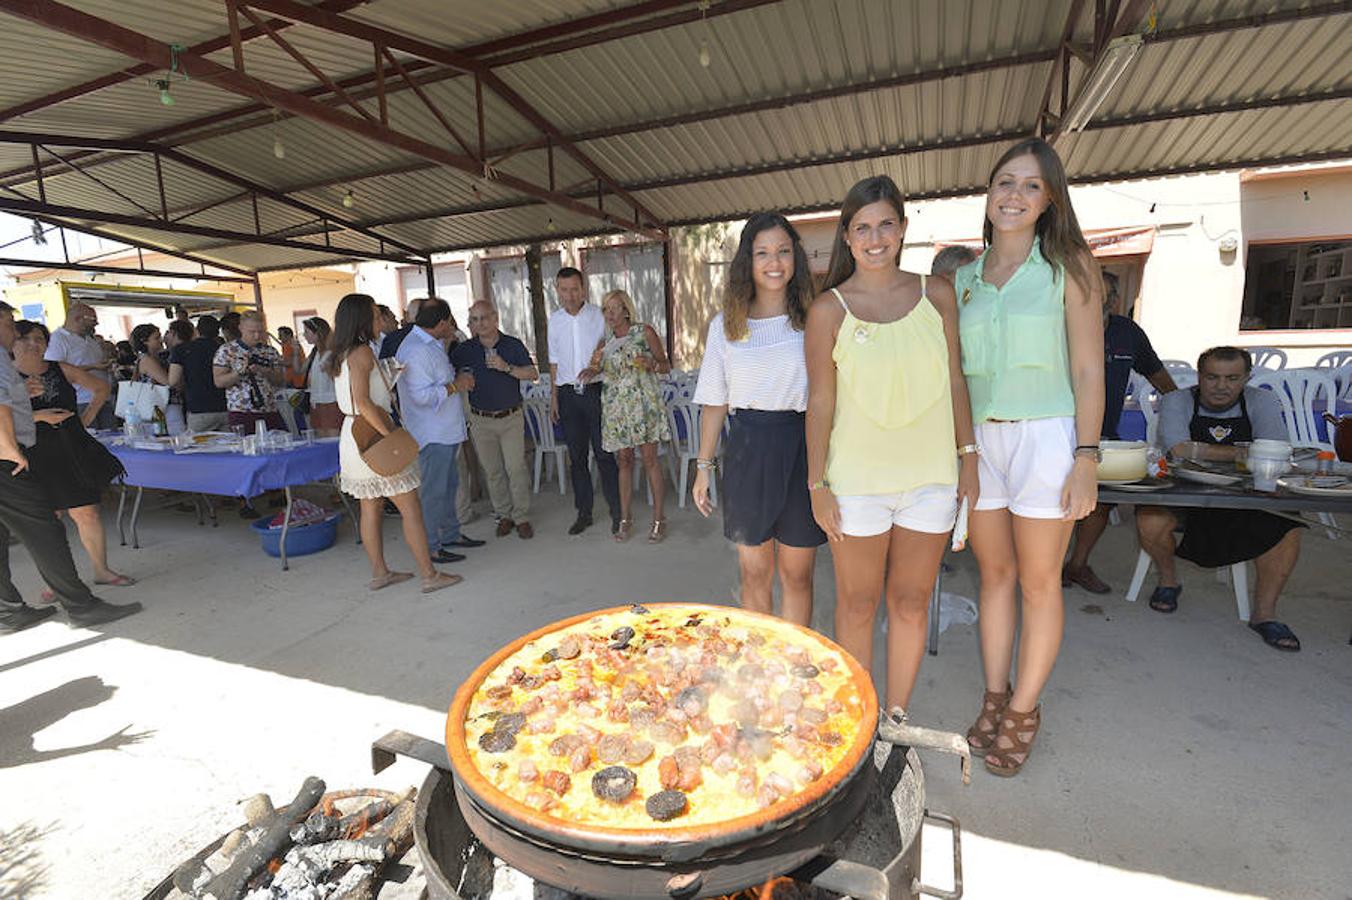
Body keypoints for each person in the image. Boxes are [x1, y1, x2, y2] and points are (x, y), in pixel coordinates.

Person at [954, 138, 1105, 777]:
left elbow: (1089, 368)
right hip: (983, 442)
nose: (1013, 196)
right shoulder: (963, 279)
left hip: (1048, 435)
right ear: (989, 195)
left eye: (1030, 186)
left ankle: (1023, 709)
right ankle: (995, 694)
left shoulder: (1070, 267)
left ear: (1049, 202)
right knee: (995, 576)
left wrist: (1086, 455)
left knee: (1041, 581)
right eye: (1004, 183)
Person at [805, 176, 978, 715]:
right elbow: (821, 404)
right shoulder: (828, 310)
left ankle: (896, 719)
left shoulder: (937, 294)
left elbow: (956, 379)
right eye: (862, 228)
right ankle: (858, 723)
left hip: (930, 479)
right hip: (856, 484)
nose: (875, 237)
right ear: (847, 237)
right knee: (858, 605)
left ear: (903, 229)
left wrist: (967, 458)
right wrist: (817, 484)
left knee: (910, 602)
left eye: (885, 224)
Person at [692, 213, 825, 625]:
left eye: (784, 251)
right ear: (747, 262)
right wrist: (702, 467)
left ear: (795, 259)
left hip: (803, 446)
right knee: (754, 571)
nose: (774, 262)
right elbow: (715, 400)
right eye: (763, 252)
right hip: (748, 448)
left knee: (797, 574)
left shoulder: (815, 318)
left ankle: (795, 664)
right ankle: (762, 665)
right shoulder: (726, 326)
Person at [1136, 347, 1303, 652]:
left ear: (1247, 378)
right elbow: (1177, 450)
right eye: (1212, 377)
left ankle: (1265, 615)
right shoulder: (1177, 400)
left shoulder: (1261, 401)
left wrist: (1200, 450)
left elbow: (1276, 450)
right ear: (1200, 377)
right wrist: (1246, 452)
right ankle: (1168, 582)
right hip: (1184, 490)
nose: (1221, 386)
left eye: (1232, 378)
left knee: (1288, 524)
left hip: (1246, 492)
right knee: (1149, 518)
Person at [0, 301, 141, 633]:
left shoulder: (44, 368)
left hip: (51, 450)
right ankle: (81, 606)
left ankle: (8, 610)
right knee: (45, 529)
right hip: (13, 459)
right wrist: (10, 449)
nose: (14, 331)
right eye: (9, 324)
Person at [326, 293, 460, 594]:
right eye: (375, 316)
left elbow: (357, 396)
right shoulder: (361, 352)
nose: (380, 321)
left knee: (370, 507)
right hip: (372, 433)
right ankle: (429, 573)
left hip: (353, 434)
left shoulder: (340, 353)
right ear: (362, 320)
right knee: (410, 506)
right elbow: (364, 401)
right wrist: (390, 435)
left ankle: (380, 572)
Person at [1062, 271, 1177, 594]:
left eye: (1100, 295)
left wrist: (1186, 411)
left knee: (1100, 501)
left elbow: (1161, 379)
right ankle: (1044, 570)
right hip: (1053, 433)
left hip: (1102, 437)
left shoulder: (1128, 333)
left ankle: (1077, 564)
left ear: (1113, 301)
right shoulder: (1058, 326)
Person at [12, 321, 132, 591]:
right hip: (31, 452)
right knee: (47, 521)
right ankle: (56, 582)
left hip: (70, 448)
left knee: (86, 512)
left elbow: (101, 389)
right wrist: (36, 416)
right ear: (13, 342)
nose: (33, 343)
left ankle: (101, 570)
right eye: (26, 338)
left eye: (39, 338)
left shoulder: (60, 369)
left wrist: (84, 419)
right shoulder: (6, 375)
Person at [396, 297, 484, 562]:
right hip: (431, 433)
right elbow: (421, 396)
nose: (454, 327)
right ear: (443, 323)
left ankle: (451, 534)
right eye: (451, 322)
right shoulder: (417, 350)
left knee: (449, 485)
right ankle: (432, 545)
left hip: (444, 430)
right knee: (434, 492)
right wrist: (457, 385)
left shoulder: (428, 343)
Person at [586, 290, 671, 543]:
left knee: (650, 461)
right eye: (605, 309)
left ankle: (659, 519)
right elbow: (596, 368)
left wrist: (652, 364)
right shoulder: (604, 343)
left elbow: (666, 365)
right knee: (623, 461)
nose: (610, 313)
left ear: (626, 309)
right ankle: (625, 518)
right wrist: (589, 371)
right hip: (617, 409)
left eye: (614, 308)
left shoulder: (644, 332)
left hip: (643, 406)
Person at [451, 301, 539, 539]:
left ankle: (521, 516)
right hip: (480, 419)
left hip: (510, 417)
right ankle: (504, 515)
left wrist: (506, 367)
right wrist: (460, 377)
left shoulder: (512, 344)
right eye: (474, 320)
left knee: (515, 468)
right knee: (492, 471)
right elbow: (451, 373)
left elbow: (533, 374)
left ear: (495, 318)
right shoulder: (465, 350)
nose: (479, 324)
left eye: (484, 318)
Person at [548, 267, 621, 535]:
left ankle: (617, 511)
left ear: (584, 289)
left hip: (595, 391)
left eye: (574, 289)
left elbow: (610, 349)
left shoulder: (599, 316)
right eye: (564, 290)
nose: (569, 295)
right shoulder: (554, 320)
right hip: (568, 395)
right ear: (557, 290)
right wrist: (554, 398)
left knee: (604, 454)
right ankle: (584, 512)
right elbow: (554, 360)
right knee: (577, 457)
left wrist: (598, 367)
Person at [45, 302, 116, 430]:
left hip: (103, 398)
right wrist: (93, 367)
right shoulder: (58, 339)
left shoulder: (91, 339)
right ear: (78, 318)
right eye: (93, 319)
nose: (96, 323)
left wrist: (104, 366)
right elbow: (56, 370)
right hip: (81, 400)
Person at [212, 311, 286, 433]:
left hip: (269, 410)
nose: (257, 336)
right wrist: (240, 372)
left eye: (261, 331)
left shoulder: (270, 351)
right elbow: (219, 382)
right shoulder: (227, 351)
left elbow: (280, 380)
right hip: (241, 412)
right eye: (252, 332)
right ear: (241, 328)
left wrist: (265, 371)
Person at [169, 314, 229, 432]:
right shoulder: (225, 349)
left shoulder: (181, 349)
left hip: (198, 408)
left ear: (197, 330)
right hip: (225, 406)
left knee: (199, 447)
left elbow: (173, 380)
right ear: (217, 332)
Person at [130, 324, 182, 433]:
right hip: (163, 406)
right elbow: (169, 381)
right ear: (145, 341)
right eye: (156, 338)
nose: (161, 340)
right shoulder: (147, 360)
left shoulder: (153, 358)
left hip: (162, 406)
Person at [301, 317, 342, 436]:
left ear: (318, 333)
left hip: (330, 400)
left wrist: (329, 368)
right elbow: (301, 370)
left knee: (332, 435)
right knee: (320, 436)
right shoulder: (315, 352)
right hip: (316, 400)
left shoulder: (331, 353)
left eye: (307, 332)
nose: (304, 335)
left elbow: (336, 375)